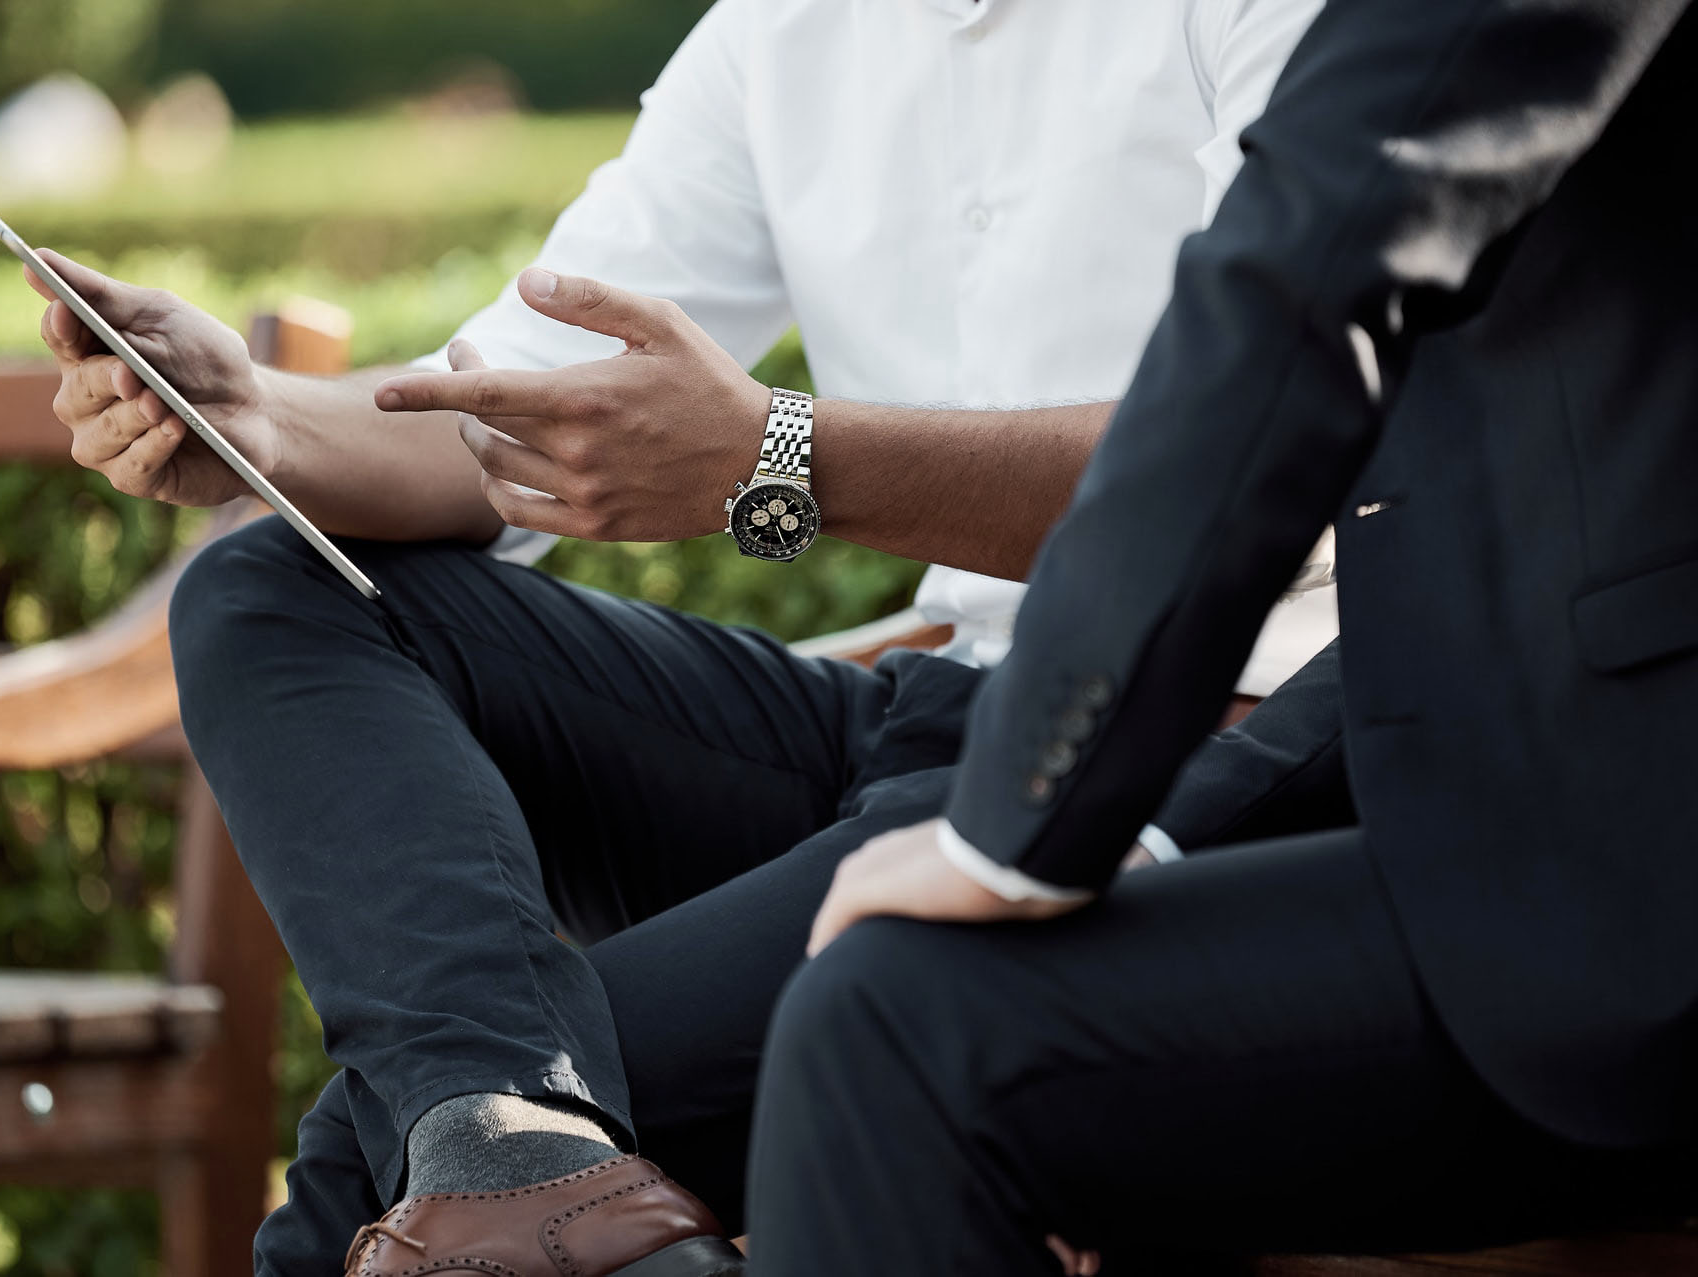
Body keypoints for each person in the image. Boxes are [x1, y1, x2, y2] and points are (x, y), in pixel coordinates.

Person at [31, 1, 1334, 1271]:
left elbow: (1254, 460)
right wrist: (254, 418)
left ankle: (507, 1146)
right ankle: (513, 1135)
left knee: (374, 1173)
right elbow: (501, 417)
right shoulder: (784, 32)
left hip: (1201, 750)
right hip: (928, 716)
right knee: (272, 591)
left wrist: (781, 456)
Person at [633, 0, 1698, 1269]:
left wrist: (1020, 828)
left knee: (898, 1026)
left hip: (1625, 874)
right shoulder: (775, 38)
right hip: (1512, 821)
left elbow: (1299, 285)